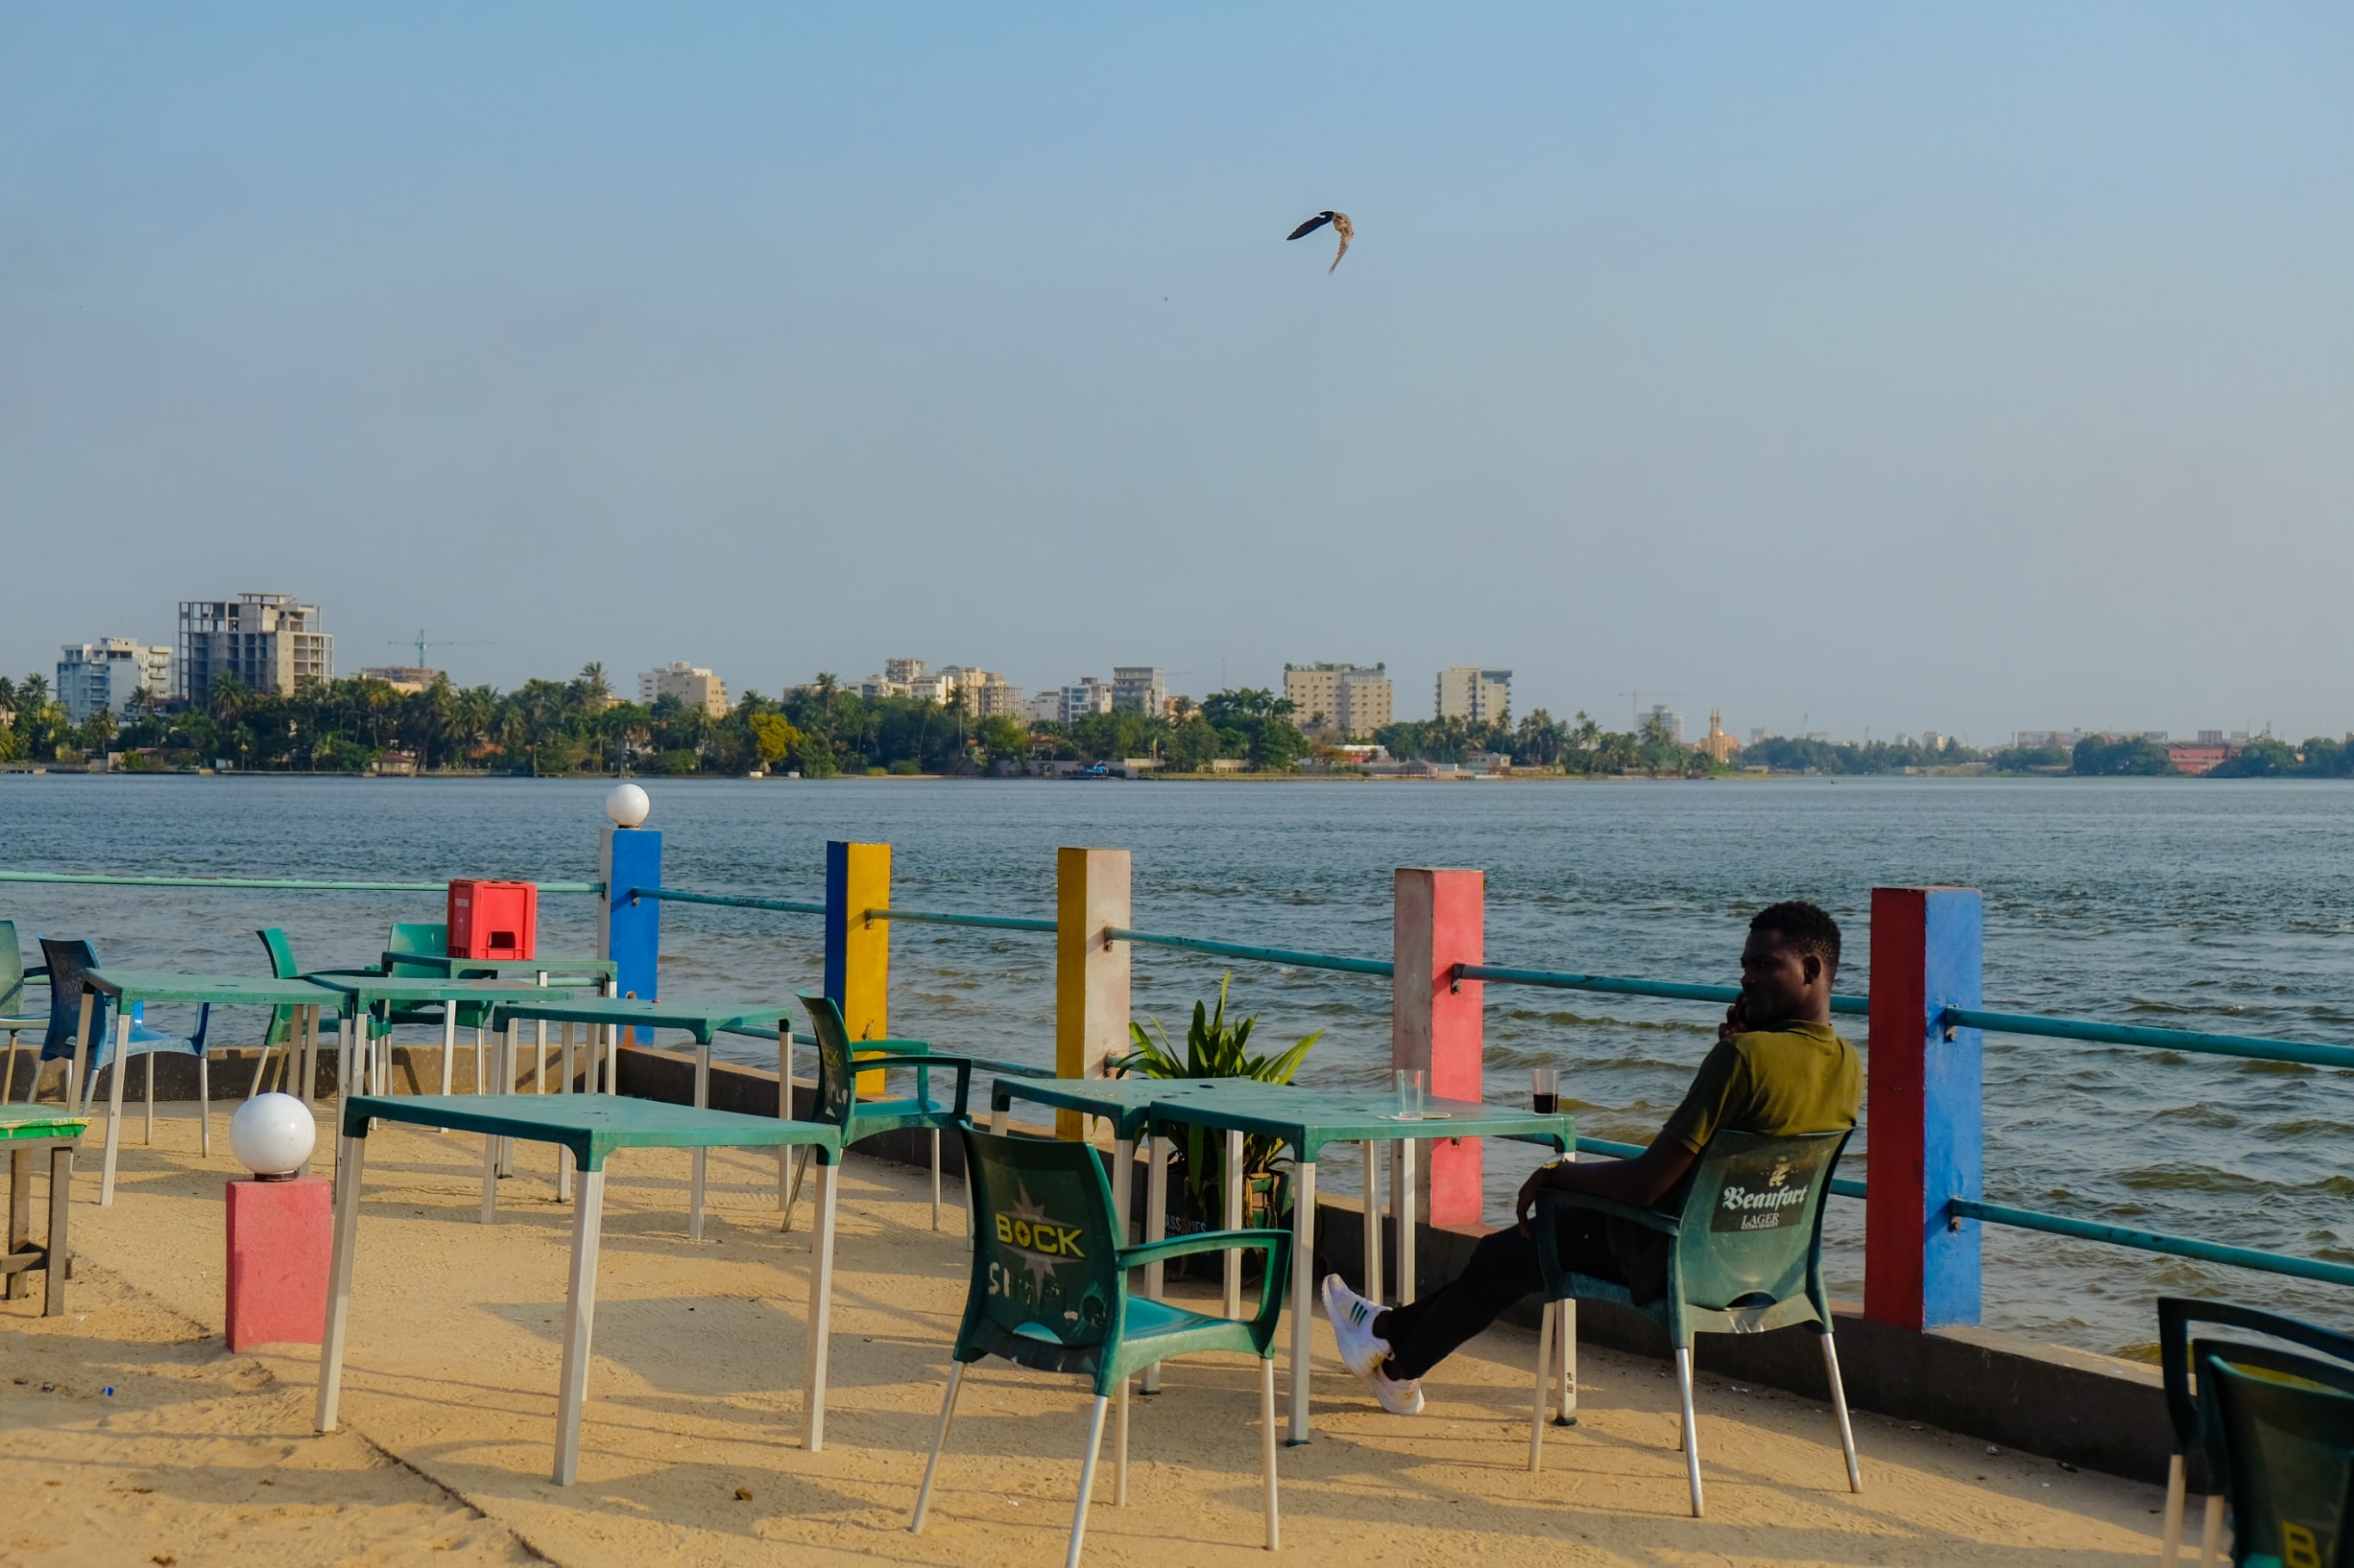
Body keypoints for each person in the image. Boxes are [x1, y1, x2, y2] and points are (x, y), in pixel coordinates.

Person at [1321, 899, 1861, 1416]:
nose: (1747, 978)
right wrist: (1747, 1043)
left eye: (1766, 965)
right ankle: (1389, 1344)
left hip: (1668, 1259)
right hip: (1763, 1267)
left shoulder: (1742, 1057)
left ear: (1812, 968)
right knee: (1508, 1257)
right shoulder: (1846, 1063)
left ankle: (1393, 1351)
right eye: (1745, 966)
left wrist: (1558, 1175)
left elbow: (1649, 1182)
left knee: (1508, 1253)